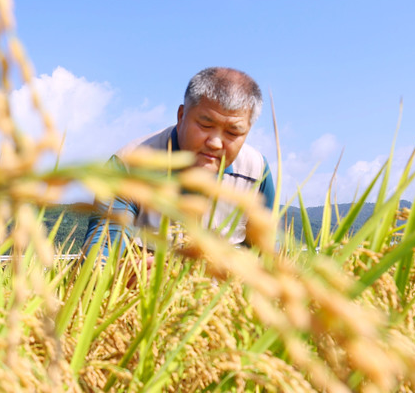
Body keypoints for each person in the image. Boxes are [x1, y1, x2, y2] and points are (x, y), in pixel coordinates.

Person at [83, 66, 277, 260]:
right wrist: (127, 276)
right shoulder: (130, 165)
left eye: (233, 133)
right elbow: (101, 254)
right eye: (205, 125)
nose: (215, 143)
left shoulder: (256, 172)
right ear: (181, 116)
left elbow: (265, 256)